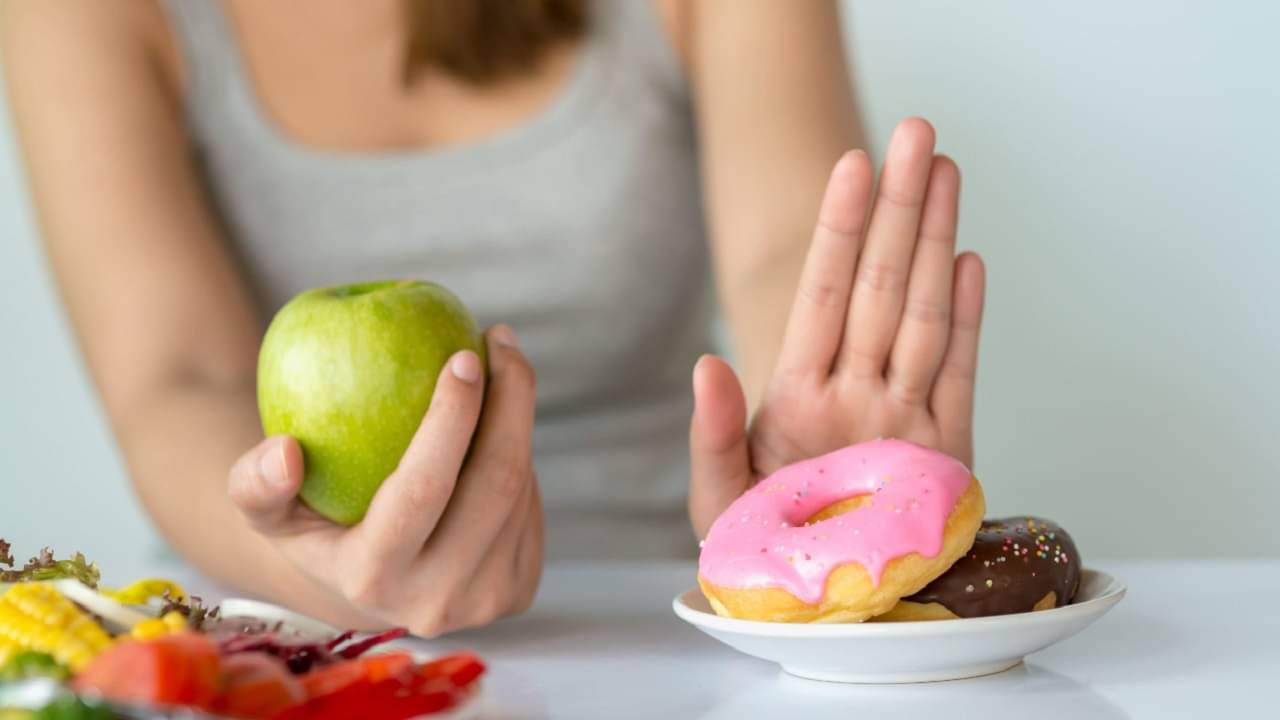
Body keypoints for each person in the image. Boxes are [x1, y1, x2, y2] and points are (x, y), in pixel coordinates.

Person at [2, 0, 985, 635]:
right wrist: (325, 579)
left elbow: (784, 253)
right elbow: (176, 377)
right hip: (280, 636)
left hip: (655, 634)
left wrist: (812, 471)